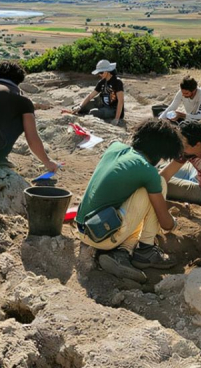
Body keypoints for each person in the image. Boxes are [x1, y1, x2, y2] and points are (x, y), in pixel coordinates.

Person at [76, 118, 182, 283]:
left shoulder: (115, 148)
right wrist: (173, 223)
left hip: (85, 228)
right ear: (160, 153)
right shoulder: (148, 172)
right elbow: (166, 224)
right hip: (101, 236)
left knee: (143, 190)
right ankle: (146, 250)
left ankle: (122, 252)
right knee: (158, 184)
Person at [73, 59, 125, 125]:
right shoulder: (101, 82)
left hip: (113, 109)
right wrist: (80, 106)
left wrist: (116, 119)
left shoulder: (117, 82)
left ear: (107, 71)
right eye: (99, 73)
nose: (100, 75)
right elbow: (90, 96)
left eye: (101, 72)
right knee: (77, 108)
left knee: (93, 113)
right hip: (102, 104)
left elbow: (121, 101)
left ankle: (107, 114)